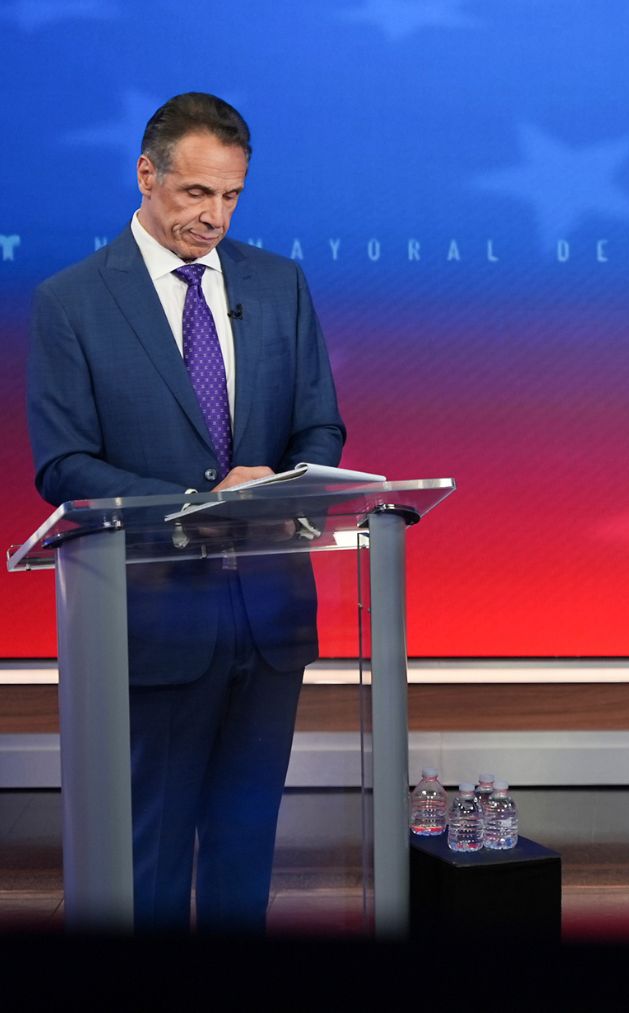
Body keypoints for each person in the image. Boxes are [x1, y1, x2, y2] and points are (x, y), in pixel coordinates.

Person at [26, 93, 346, 934]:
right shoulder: (73, 302)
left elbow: (321, 424)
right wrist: (202, 506)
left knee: (245, 849)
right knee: (155, 856)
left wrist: (275, 480)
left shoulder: (279, 284)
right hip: (153, 618)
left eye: (232, 196)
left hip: (270, 614)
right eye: (196, 194)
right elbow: (63, 464)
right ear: (147, 175)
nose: (215, 216)